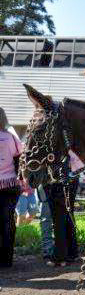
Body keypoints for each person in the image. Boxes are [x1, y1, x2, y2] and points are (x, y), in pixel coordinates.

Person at [0, 107, 23, 268]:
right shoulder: (11, 138)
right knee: (8, 221)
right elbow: (20, 159)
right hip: (10, 185)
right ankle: (7, 259)